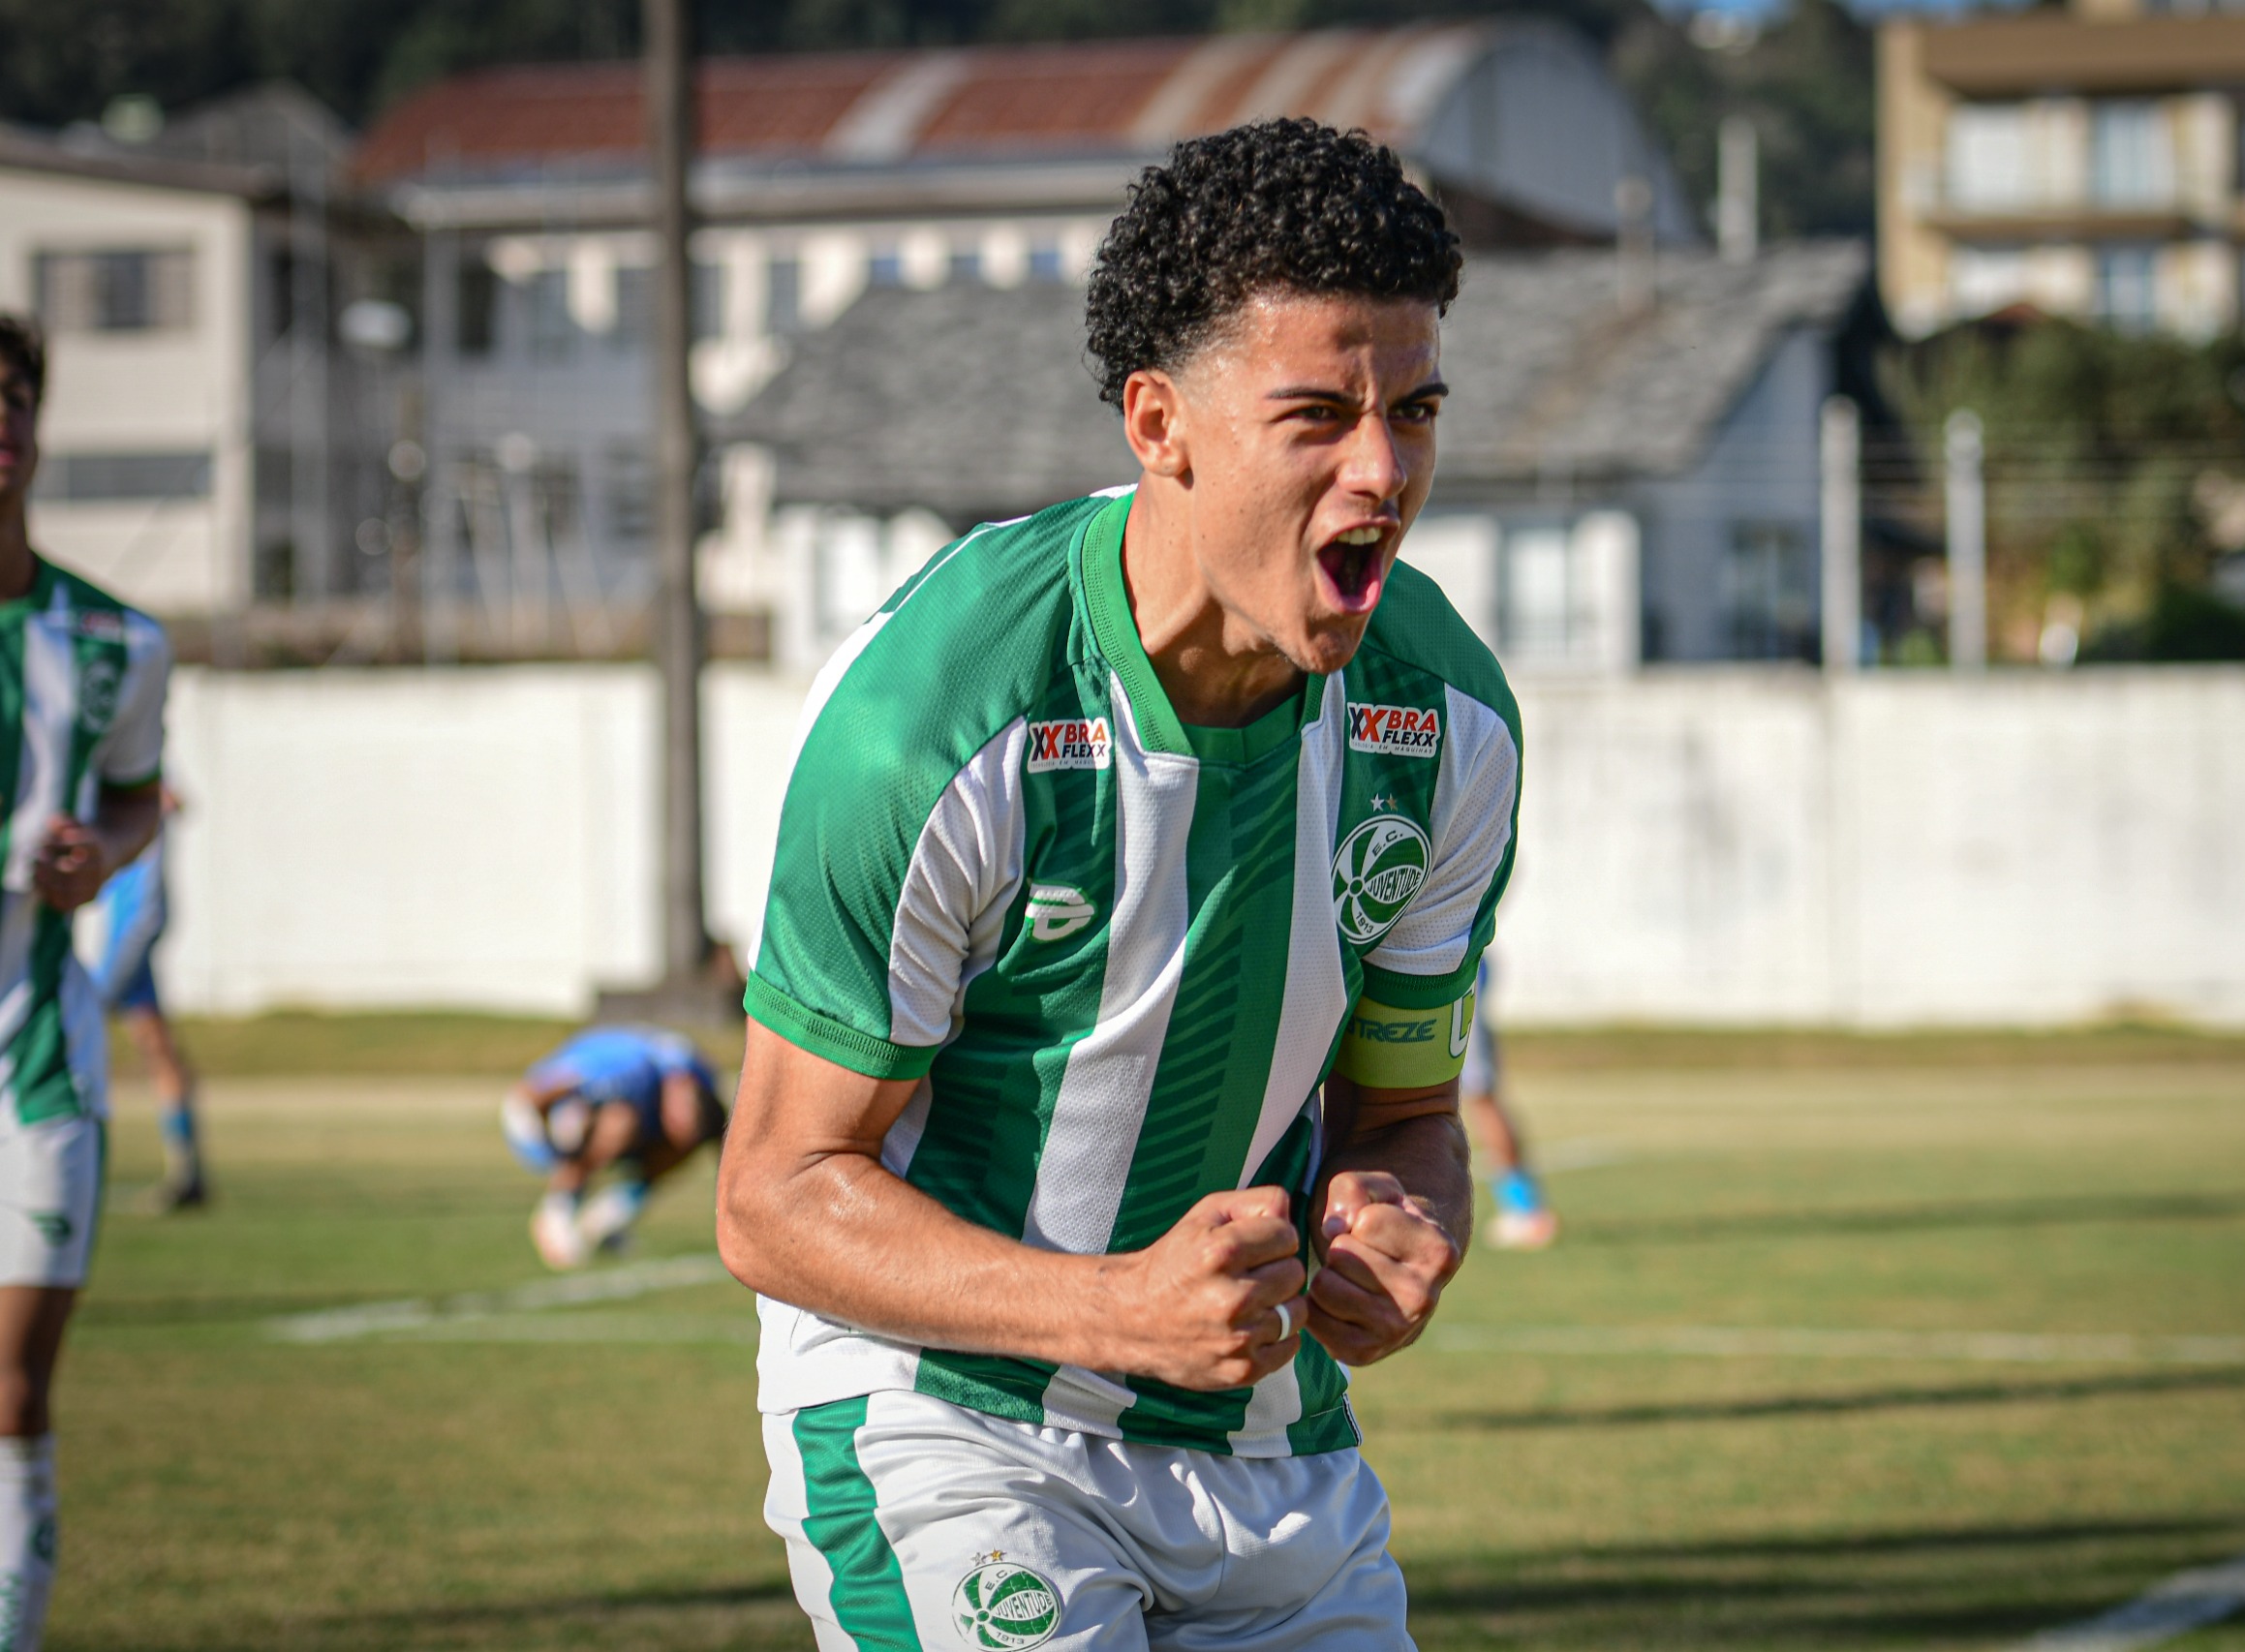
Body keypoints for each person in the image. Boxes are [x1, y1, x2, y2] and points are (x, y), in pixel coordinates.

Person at [717, 118, 1519, 1649]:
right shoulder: (935, 717)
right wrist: (1115, 1312)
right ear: (1162, 424)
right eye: (1316, 418)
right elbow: (774, 1194)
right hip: (948, 1422)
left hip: (1271, 1442)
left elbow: (1406, 1114)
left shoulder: (1449, 718)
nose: (1383, 473)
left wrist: (1406, 1220)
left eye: (1415, 411)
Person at [0, 314, 171, 1650]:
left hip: (34, 1061)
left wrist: (96, 855)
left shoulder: (112, 639)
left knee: (10, 1390)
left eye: (13, 394)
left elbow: (132, 800)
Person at [503, 1025, 726, 1270]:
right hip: (542, 1121)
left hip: (634, 1121)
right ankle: (559, 1206)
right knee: (619, 1121)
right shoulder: (628, 1072)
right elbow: (528, 1098)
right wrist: (550, 1151)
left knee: (683, 1142)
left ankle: (608, 1217)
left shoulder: (705, 1086)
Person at [88, 814, 205, 1212]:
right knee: (159, 1050)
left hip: (129, 939)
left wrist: (112, 975)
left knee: (75, 1046)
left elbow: (148, 904)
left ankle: (67, 1166)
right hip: (123, 934)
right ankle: (188, 1173)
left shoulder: (139, 790)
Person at [1460, 963, 1557, 1249]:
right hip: (1453, 962)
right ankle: (1524, 1207)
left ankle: (1525, 1209)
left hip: (1457, 965)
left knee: (1480, 1092)